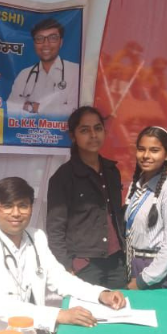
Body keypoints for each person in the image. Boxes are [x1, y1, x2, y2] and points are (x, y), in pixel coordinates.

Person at [0, 177, 126, 334]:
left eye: (23, 206)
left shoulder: (36, 237)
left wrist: (100, 294)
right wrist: (59, 315)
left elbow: (60, 278)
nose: (16, 213)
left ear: (31, 208)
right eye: (7, 206)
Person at [47, 106, 127, 289]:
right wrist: (65, 266)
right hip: (84, 264)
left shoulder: (112, 171)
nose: (93, 135)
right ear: (73, 136)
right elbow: (55, 228)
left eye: (98, 128)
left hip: (116, 262)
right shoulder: (63, 177)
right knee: (87, 308)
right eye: (85, 130)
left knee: (121, 305)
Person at [124, 126, 167, 290]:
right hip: (134, 264)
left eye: (154, 150)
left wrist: (144, 280)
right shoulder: (136, 186)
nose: (146, 155)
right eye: (141, 149)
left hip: (157, 273)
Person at [6, 18, 80, 120]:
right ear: (34, 43)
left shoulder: (76, 71)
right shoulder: (24, 74)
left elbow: (75, 111)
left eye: (52, 38)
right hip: (28, 130)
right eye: (40, 38)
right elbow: (11, 109)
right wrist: (56, 109)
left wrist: (36, 107)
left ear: (61, 42)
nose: (46, 44)